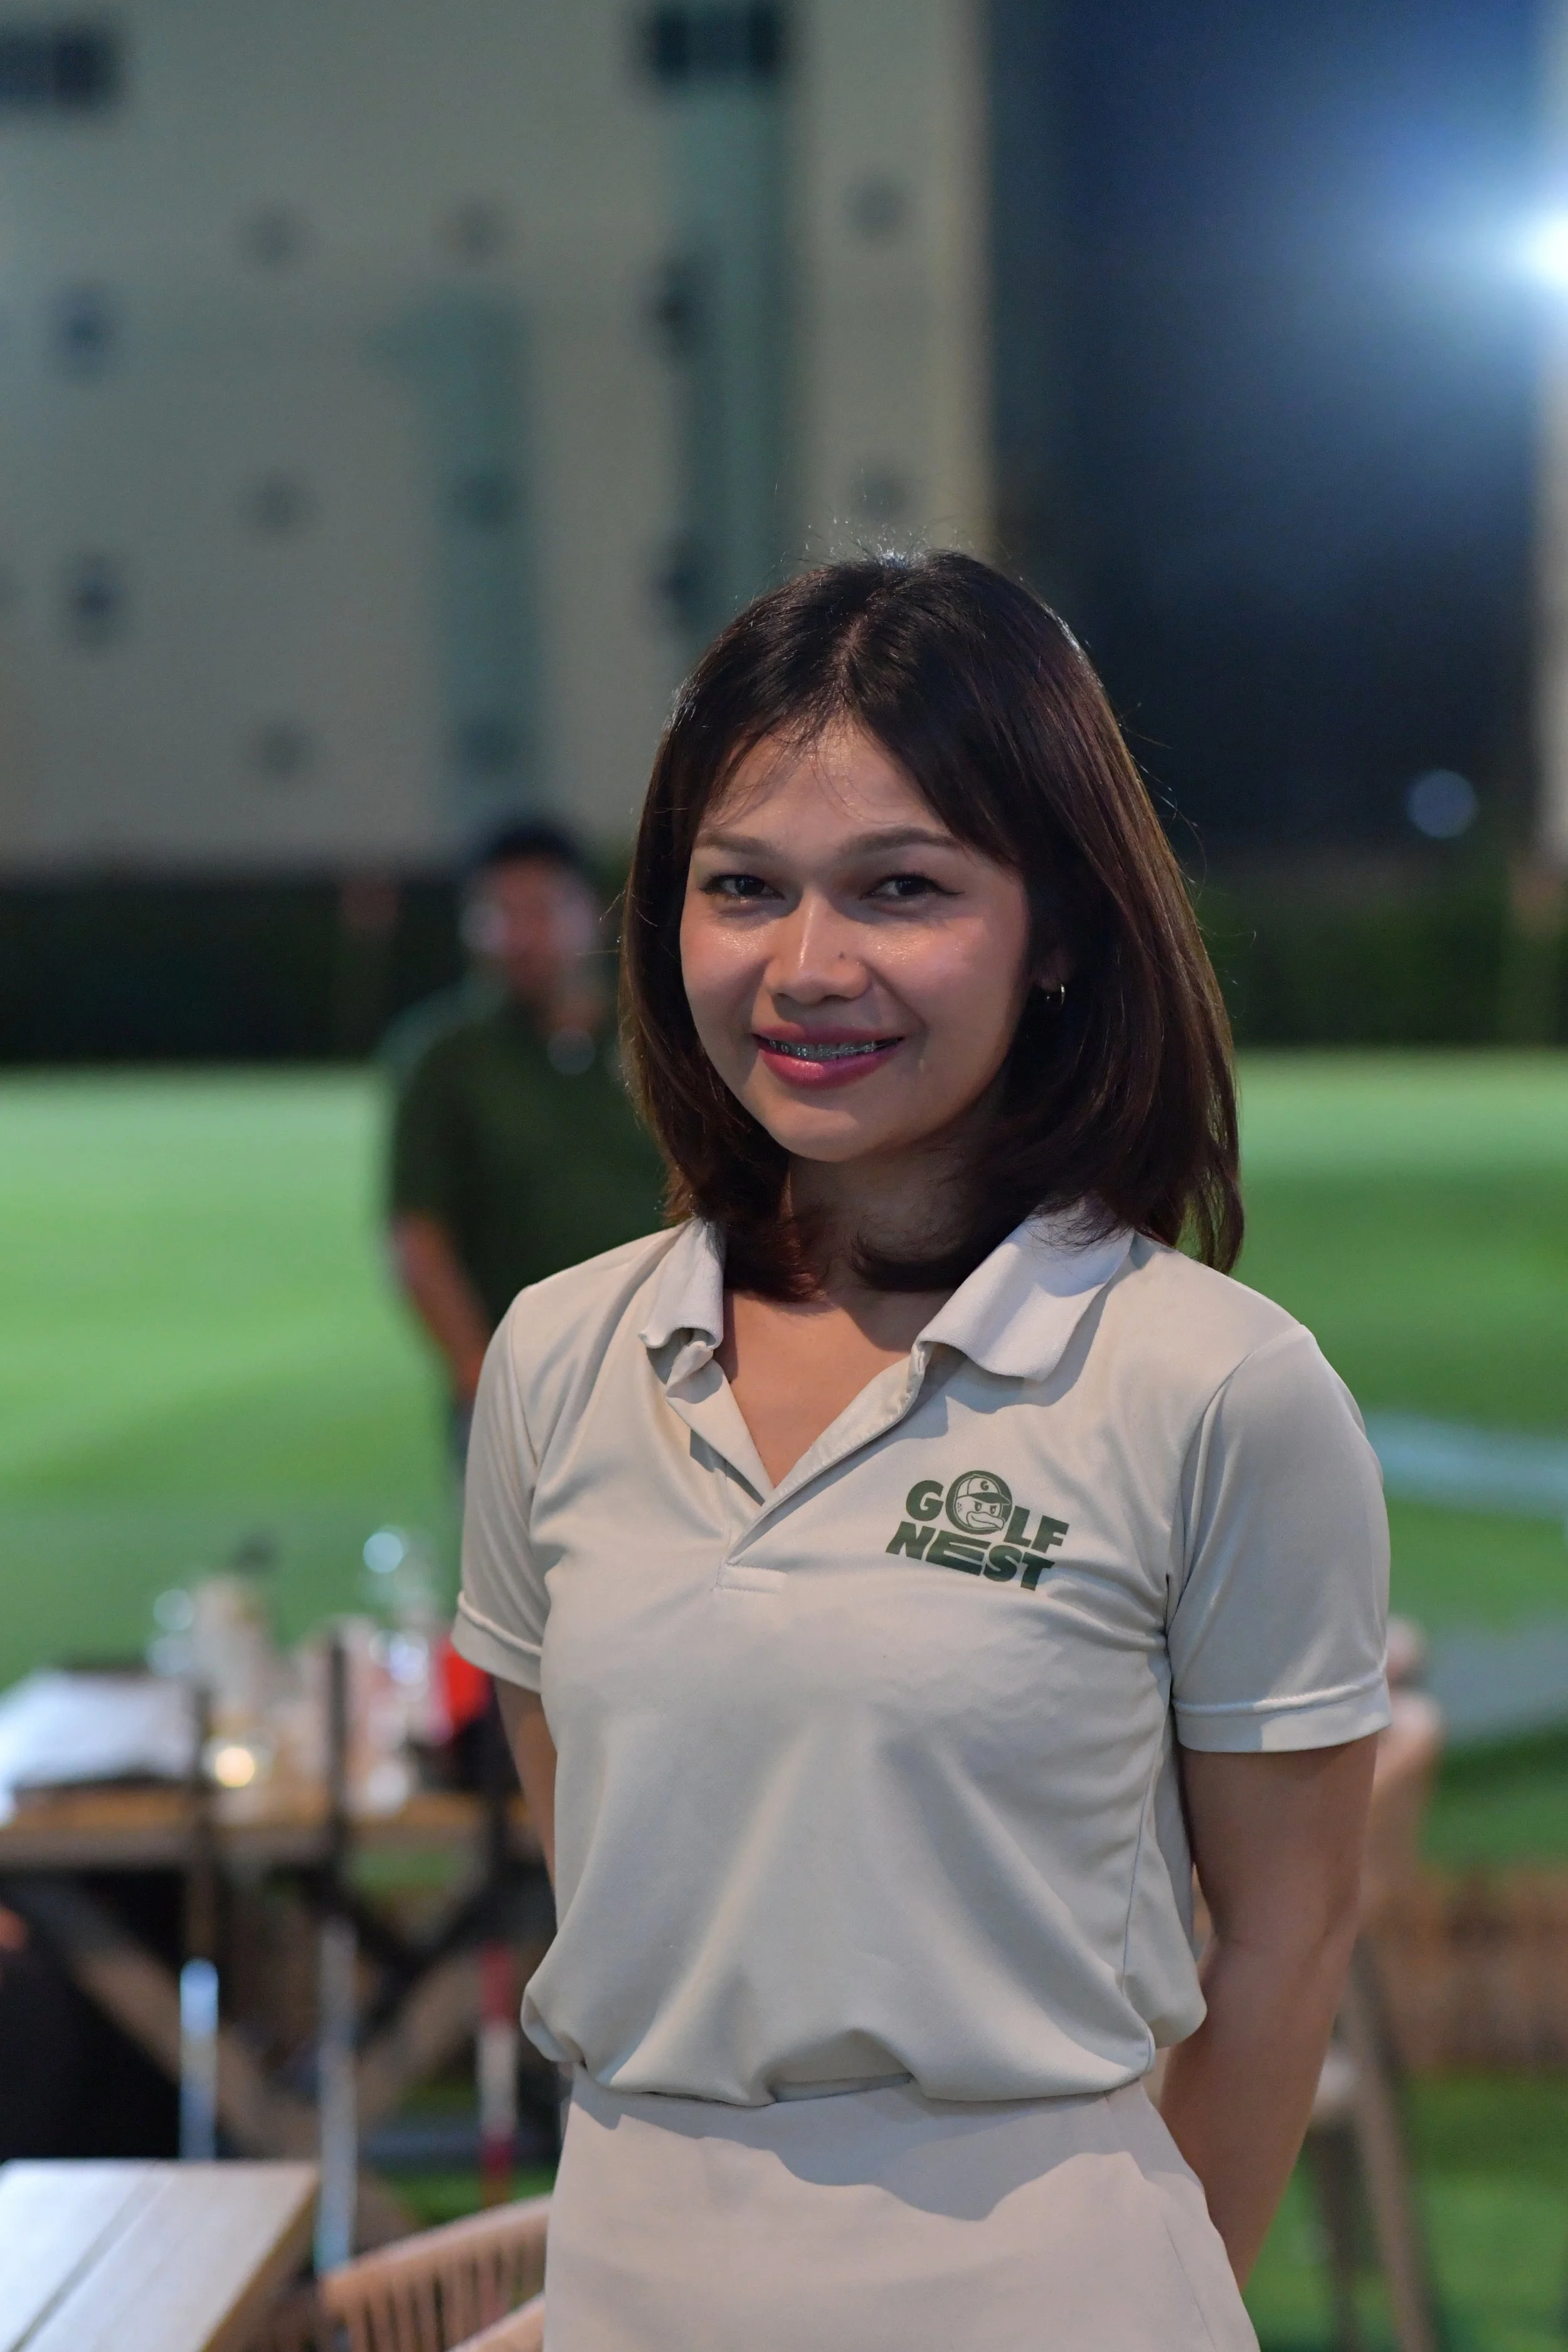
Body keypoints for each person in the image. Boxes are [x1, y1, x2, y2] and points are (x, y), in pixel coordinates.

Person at [451, 554, 1389, 2350]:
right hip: (632, 2274)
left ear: (1061, 929)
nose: (808, 967)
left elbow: (1285, 1944)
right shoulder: (559, 1355)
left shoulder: (1218, 1386)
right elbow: (616, 1882)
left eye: (901, 886)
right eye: (742, 885)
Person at [386, 820, 666, 1426]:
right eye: (497, 913)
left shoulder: (661, 1039)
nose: (518, 936)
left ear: (592, 912)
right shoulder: (446, 1060)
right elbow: (418, 1236)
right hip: (519, 1388)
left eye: (541, 910)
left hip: (665, 1380)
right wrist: (477, 1375)